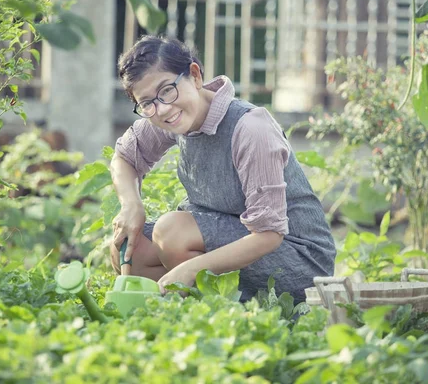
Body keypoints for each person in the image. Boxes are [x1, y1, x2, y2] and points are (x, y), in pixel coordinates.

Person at [110, 35, 335, 304]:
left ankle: (227, 315)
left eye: (167, 90)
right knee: (130, 249)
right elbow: (124, 158)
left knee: (172, 232)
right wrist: (131, 205)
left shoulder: (250, 128)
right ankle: (173, 317)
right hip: (232, 241)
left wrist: (193, 267)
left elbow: (270, 234)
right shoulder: (169, 117)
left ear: (194, 75)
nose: (163, 108)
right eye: (147, 103)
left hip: (297, 260)